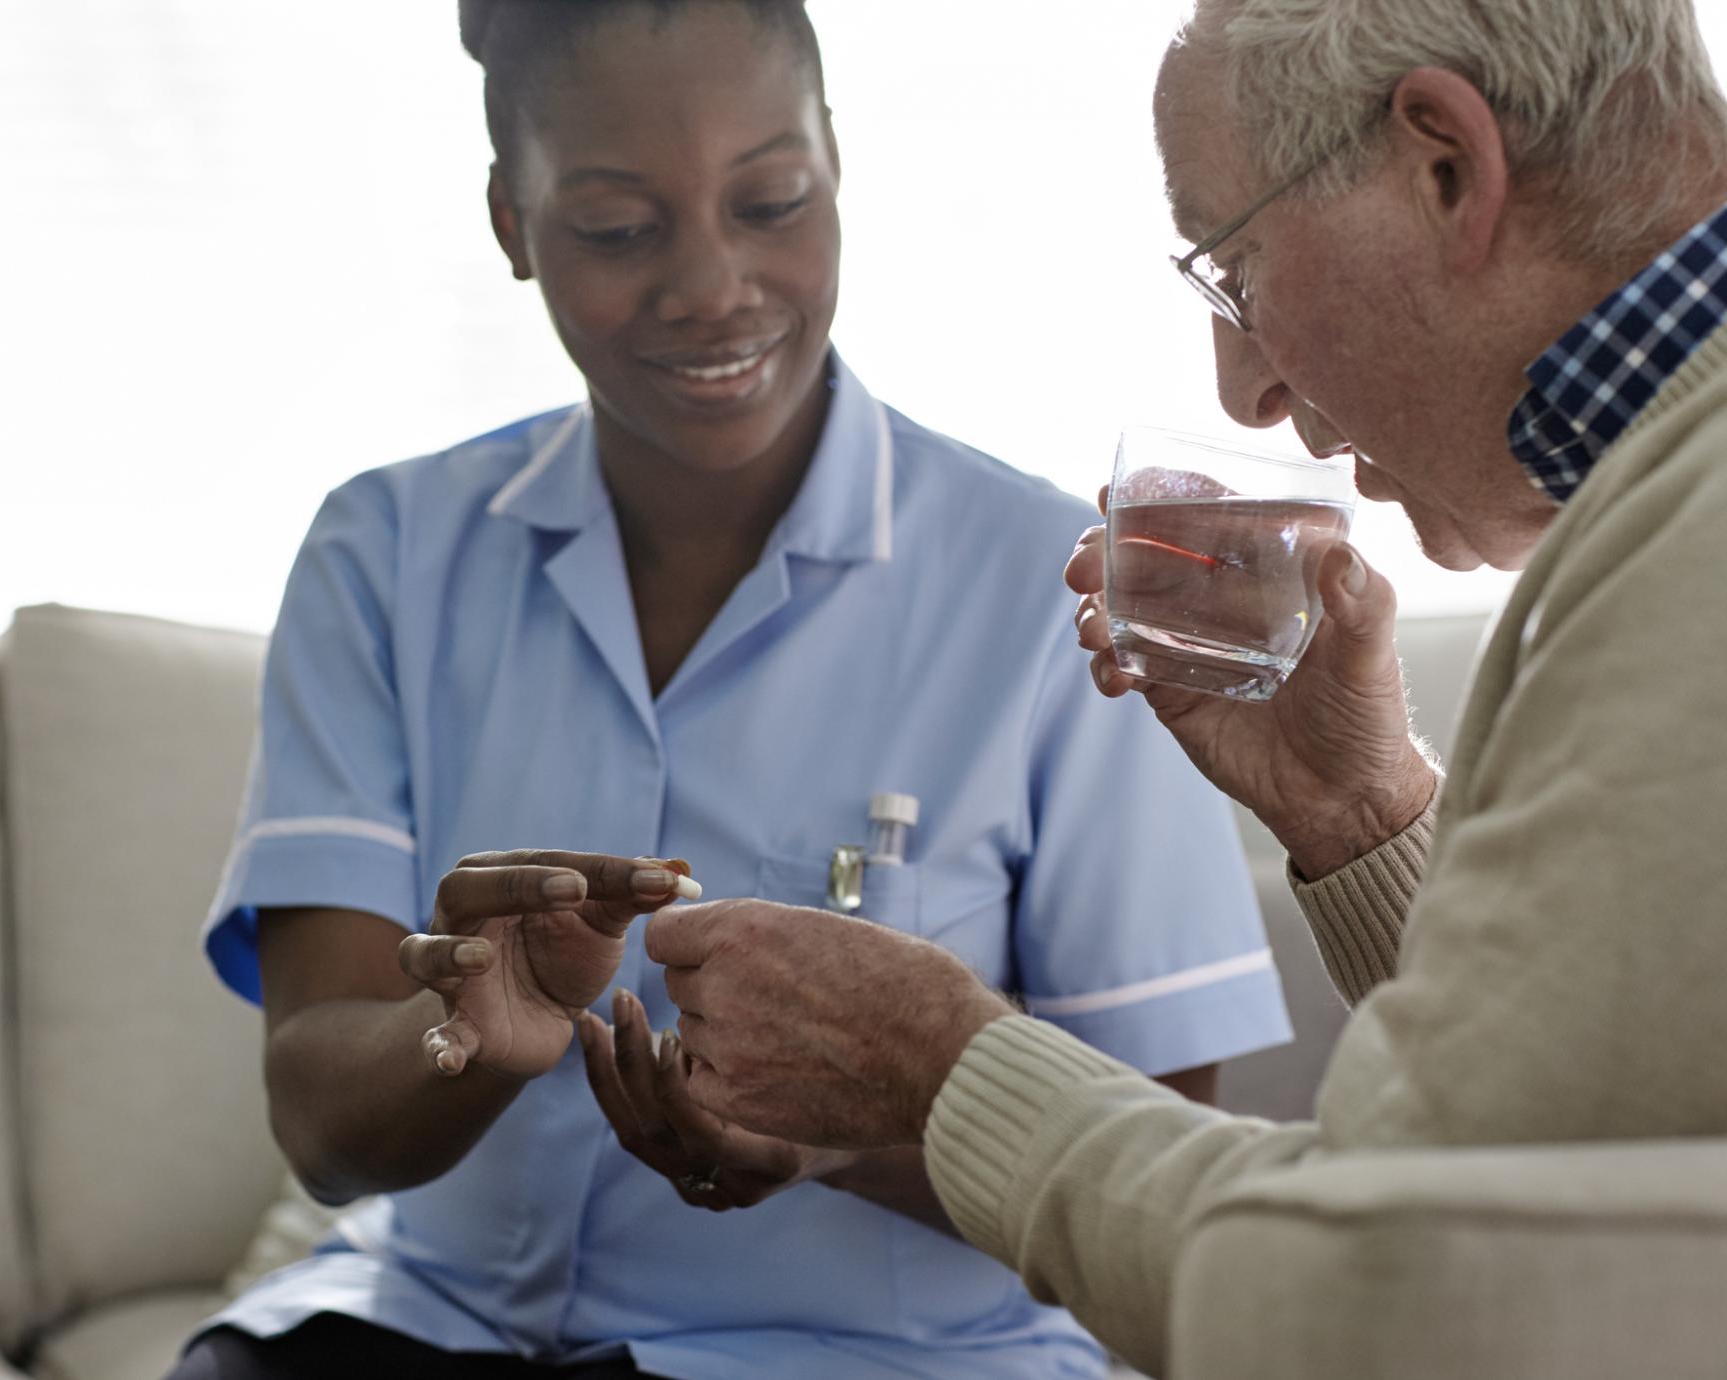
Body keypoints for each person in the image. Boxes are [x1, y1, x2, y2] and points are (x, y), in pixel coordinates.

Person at [170, 2, 1292, 1378]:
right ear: (512, 229)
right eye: (618, 229)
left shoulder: (1051, 589)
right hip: (423, 1333)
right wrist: (465, 1026)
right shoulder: (383, 557)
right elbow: (324, 1131)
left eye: (771, 200)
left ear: (835, 166)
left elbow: (1148, 1185)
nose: (712, 284)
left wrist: (849, 1135)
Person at [642, 0, 1727, 1374]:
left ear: (1444, 163)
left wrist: (937, 1065)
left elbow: (1389, 1290)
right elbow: (1576, 1143)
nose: (1246, 389)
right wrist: (1365, 813)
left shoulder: (1695, 557)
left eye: (1237, 271)